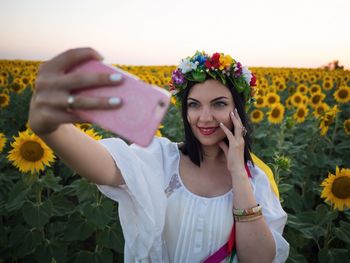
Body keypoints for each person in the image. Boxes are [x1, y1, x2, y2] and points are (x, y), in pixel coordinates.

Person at [28, 47, 290, 262]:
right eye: (194, 104)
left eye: (219, 104)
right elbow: (106, 167)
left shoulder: (256, 178)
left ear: (238, 110)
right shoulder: (163, 158)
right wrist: (53, 130)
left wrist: (237, 174)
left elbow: (258, 259)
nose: (205, 117)